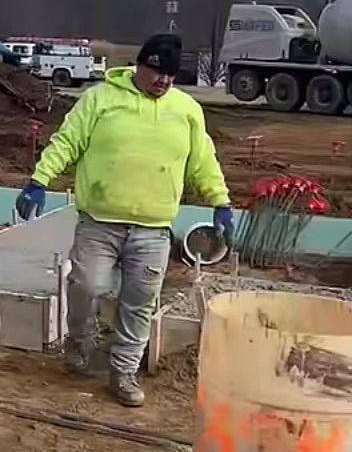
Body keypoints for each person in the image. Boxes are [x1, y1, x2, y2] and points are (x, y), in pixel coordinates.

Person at [14, 33, 233, 408]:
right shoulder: (100, 99)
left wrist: (221, 202)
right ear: (140, 65)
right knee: (87, 286)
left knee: (139, 302)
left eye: (170, 76)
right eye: (156, 72)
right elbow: (66, 142)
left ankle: (123, 373)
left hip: (153, 229)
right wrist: (39, 181)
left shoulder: (186, 110)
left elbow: (203, 162)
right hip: (100, 222)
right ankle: (81, 343)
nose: (163, 81)